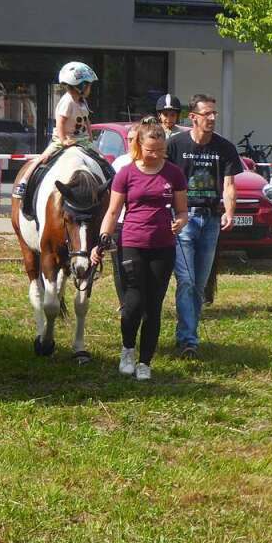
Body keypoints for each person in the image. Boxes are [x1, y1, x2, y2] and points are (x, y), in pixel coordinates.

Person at [93, 118, 188, 380]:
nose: (155, 155)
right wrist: (103, 238)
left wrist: (180, 221)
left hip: (163, 246)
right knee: (133, 302)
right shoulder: (126, 173)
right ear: (139, 146)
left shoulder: (173, 173)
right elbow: (113, 211)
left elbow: (182, 210)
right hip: (132, 243)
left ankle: (145, 362)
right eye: (150, 150)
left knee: (153, 306)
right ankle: (127, 349)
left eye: (160, 150)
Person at [166, 94, 241, 358]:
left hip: (210, 221)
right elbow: (165, 182)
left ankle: (187, 334)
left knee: (199, 284)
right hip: (184, 220)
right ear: (193, 117)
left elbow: (229, 185)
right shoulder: (175, 145)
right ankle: (189, 339)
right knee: (185, 280)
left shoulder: (225, 148)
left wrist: (229, 211)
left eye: (214, 114)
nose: (211, 118)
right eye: (206, 114)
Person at [13, 62, 99, 202]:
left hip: (82, 140)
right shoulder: (67, 101)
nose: (90, 88)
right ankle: (24, 182)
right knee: (43, 158)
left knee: (101, 159)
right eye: (89, 84)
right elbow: (60, 122)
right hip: (63, 139)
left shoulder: (82, 102)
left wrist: (89, 137)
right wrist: (64, 139)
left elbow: (86, 120)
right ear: (81, 86)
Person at [109, 125, 138, 308]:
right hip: (119, 223)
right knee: (119, 266)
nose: (132, 143)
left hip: (139, 224)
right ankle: (124, 303)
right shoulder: (119, 163)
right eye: (129, 139)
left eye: (135, 139)